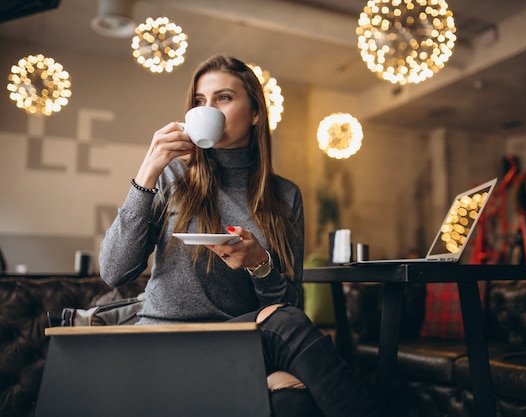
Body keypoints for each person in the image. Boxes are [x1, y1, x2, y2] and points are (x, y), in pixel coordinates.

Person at [99, 55, 380, 417]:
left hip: (240, 342)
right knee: (289, 373)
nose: (208, 109)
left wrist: (260, 264)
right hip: (167, 342)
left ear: (256, 113)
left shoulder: (285, 196)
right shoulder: (171, 178)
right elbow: (113, 270)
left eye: (224, 98)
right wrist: (147, 173)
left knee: (292, 402)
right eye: (200, 102)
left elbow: (289, 302)